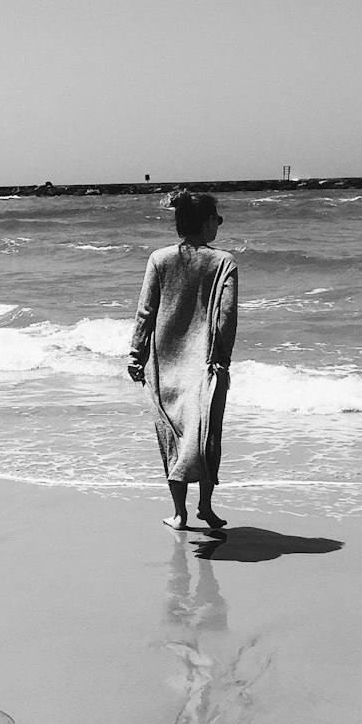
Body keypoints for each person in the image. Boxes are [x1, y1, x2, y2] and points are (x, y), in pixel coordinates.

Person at [128, 190, 238, 530]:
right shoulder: (223, 262)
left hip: (164, 364)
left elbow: (145, 312)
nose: (217, 226)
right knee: (206, 435)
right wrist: (222, 358)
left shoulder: (159, 260)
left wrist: (136, 355)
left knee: (172, 435)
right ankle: (205, 506)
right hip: (206, 366)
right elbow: (226, 316)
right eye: (216, 220)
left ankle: (180, 514)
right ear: (206, 223)